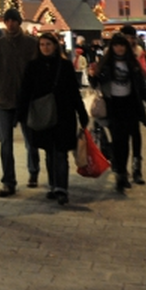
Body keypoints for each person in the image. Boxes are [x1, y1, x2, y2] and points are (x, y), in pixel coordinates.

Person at [18, 32, 88, 205]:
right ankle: (52, 185)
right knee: (50, 152)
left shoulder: (64, 66)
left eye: (48, 44)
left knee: (61, 152)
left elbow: (73, 91)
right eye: (42, 45)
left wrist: (82, 112)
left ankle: (61, 189)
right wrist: (21, 114)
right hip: (43, 115)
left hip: (64, 114)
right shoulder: (33, 66)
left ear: (55, 46)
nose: (45, 48)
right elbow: (25, 92)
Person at [92, 33, 146, 191]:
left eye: (122, 45)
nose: (119, 48)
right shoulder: (106, 63)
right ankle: (121, 173)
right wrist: (93, 75)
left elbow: (142, 89)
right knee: (118, 142)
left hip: (130, 106)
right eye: (116, 45)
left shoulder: (132, 64)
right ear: (112, 47)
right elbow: (96, 83)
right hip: (113, 106)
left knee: (127, 142)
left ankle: (122, 173)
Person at [0, 8, 40, 197]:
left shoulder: (32, 44)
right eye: (7, 21)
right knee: (5, 143)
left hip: (26, 100)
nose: (10, 24)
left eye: (14, 20)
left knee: (30, 140)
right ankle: (8, 181)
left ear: (19, 22)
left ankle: (33, 171)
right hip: (4, 99)